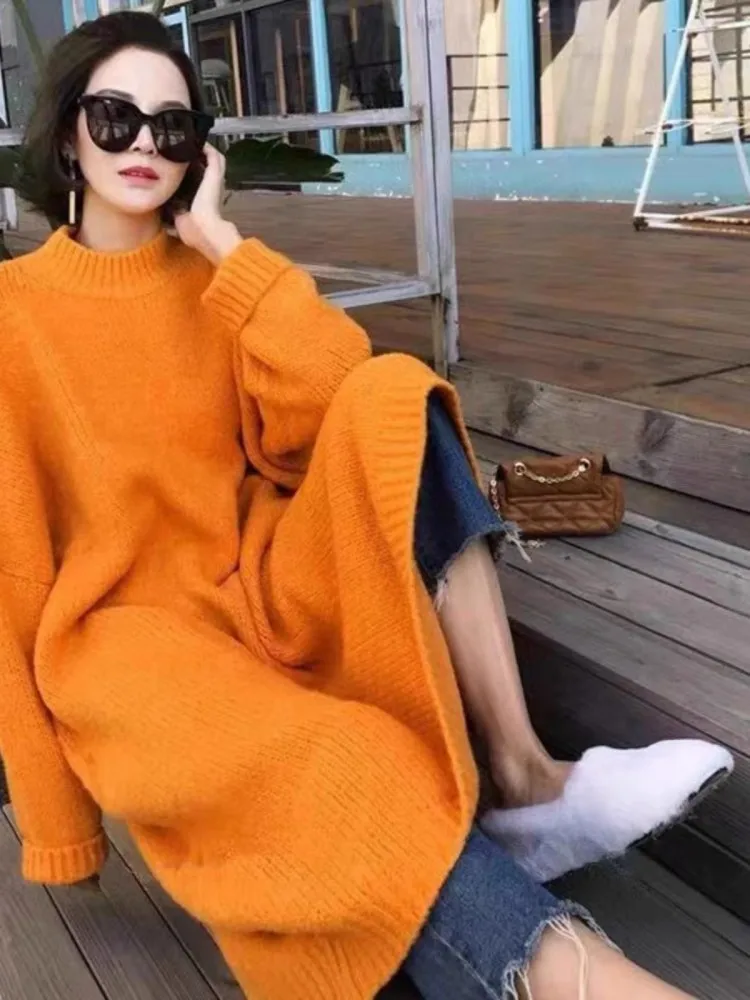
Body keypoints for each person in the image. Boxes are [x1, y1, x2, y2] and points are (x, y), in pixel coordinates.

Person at [0, 12, 732, 1000]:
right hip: (127, 638)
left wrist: (226, 248)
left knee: (389, 395)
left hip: (263, 581)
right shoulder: (14, 314)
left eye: (173, 128)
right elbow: (12, 573)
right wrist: (58, 826)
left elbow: (327, 398)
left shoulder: (219, 279)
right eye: (114, 117)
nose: (144, 144)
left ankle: (524, 772)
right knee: (351, 763)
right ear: (66, 135)